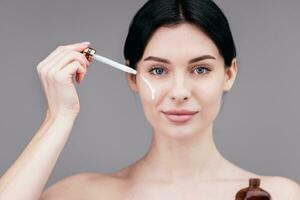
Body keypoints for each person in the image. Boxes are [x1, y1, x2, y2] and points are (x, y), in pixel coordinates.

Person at [0, 0, 299, 199]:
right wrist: (58, 118)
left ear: (229, 73)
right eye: (158, 70)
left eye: (200, 69)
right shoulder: (79, 195)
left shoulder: (281, 195)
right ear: (132, 77)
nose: (179, 91)